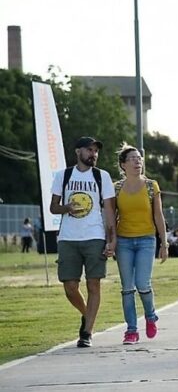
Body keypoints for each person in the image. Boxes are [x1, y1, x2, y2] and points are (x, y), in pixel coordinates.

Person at [49, 136, 117, 348]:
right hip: (68, 237)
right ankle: (86, 314)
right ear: (78, 152)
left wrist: (111, 240)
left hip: (95, 236)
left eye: (95, 151)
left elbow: (109, 211)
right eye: (89, 150)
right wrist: (66, 208)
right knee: (70, 286)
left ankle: (86, 332)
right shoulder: (64, 175)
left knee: (93, 283)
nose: (93, 154)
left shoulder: (102, 177)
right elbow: (53, 207)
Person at [112, 145, 168, 345]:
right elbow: (111, 217)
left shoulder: (152, 186)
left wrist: (164, 243)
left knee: (142, 284)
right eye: (133, 159)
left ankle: (150, 315)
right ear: (123, 164)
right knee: (127, 288)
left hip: (146, 240)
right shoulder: (116, 188)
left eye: (139, 158)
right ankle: (131, 330)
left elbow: (158, 215)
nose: (138, 162)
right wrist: (111, 240)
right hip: (124, 241)